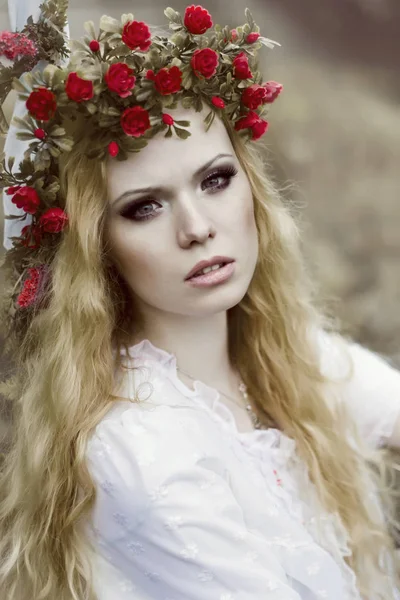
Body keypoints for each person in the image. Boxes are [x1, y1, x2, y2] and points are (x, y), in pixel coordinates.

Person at [0, 2, 400, 599]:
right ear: (98, 247)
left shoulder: (283, 352)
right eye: (145, 207)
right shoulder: (143, 449)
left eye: (215, 180)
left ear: (252, 188)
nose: (197, 228)